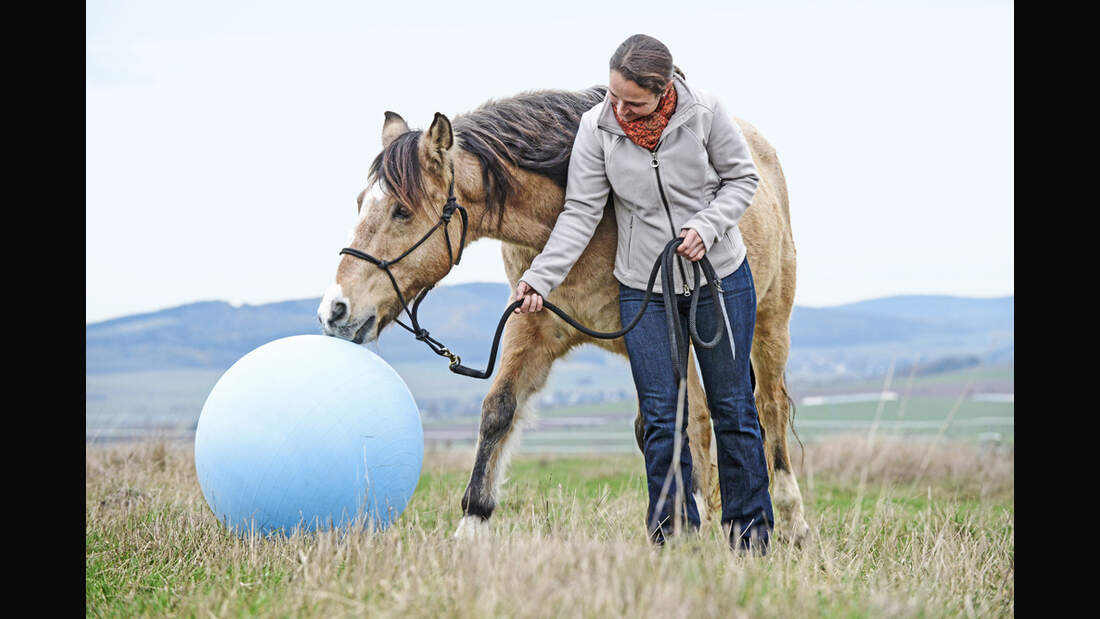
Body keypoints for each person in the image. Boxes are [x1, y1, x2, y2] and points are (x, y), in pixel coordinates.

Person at [510, 34, 774, 553]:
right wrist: (540, 277)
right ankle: (672, 539)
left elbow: (742, 180)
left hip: (720, 278)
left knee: (733, 408)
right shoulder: (597, 128)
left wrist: (707, 226)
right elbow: (581, 211)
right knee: (660, 416)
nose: (619, 109)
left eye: (632, 102)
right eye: (613, 95)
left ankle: (751, 537)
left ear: (663, 91)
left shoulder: (705, 113)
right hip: (645, 287)